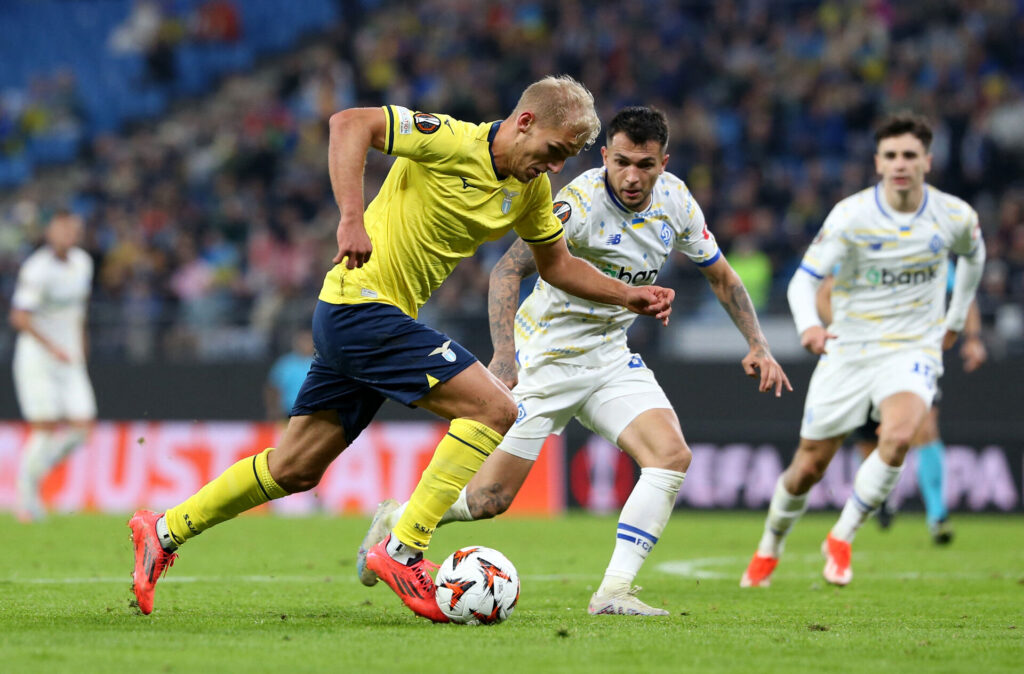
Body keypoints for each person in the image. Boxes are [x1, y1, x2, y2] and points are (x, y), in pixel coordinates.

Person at [128, 76, 676, 620]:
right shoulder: (450, 140)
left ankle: (164, 530)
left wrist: (629, 294)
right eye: (555, 151)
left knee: (295, 468)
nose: (556, 167)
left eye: (568, 159)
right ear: (525, 122)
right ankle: (404, 549)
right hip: (360, 308)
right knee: (495, 407)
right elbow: (350, 124)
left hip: (367, 319)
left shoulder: (531, 191)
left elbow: (556, 266)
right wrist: (350, 218)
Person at [362, 106, 791, 615]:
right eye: (623, 162)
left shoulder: (676, 201)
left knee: (670, 456)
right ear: (605, 155)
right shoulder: (578, 202)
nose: (633, 177)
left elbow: (721, 275)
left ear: (663, 163)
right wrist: (505, 355)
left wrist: (758, 344)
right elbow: (505, 271)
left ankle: (613, 593)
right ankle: (399, 520)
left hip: (609, 356)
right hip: (544, 357)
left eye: (647, 165)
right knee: (488, 502)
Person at [741, 112, 985, 588]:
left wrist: (955, 321)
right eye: (891, 155)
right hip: (849, 349)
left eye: (910, 155)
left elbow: (975, 256)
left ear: (927, 162)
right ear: (877, 161)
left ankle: (841, 537)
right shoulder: (851, 216)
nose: (900, 164)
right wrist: (810, 327)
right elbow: (804, 281)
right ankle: (770, 544)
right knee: (808, 467)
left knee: (898, 438)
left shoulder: (954, 215)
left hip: (912, 348)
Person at [818, 276, 988, 542]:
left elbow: (965, 294)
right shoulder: (860, 244)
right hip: (864, 361)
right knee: (869, 441)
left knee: (925, 427)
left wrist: (973, 338)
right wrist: (843, 331)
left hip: (912, 356)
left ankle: (938, 516)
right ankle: (882, 497)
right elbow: (824, 294)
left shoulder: (930, 245)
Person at [10, 211, 96, 522]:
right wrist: (52, 347)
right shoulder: (37, 269)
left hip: (71, 359)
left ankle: (35, 470)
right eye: (62, 229)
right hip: (39, 358)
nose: (68, 235)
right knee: (45, 427)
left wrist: (80, 348)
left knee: (83, 428)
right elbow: (19, 317)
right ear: (50, 232)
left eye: (73, 229)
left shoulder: (83, 263)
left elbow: (79, 312)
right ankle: (27, 499)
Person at [263, 328, 315, 421]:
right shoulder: (284, 364)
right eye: (302, 340)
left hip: (314, 413)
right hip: (288, 412)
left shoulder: (319, 364)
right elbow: (272, 388)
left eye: (308, 340)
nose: (304, 344)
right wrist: (273, 409)